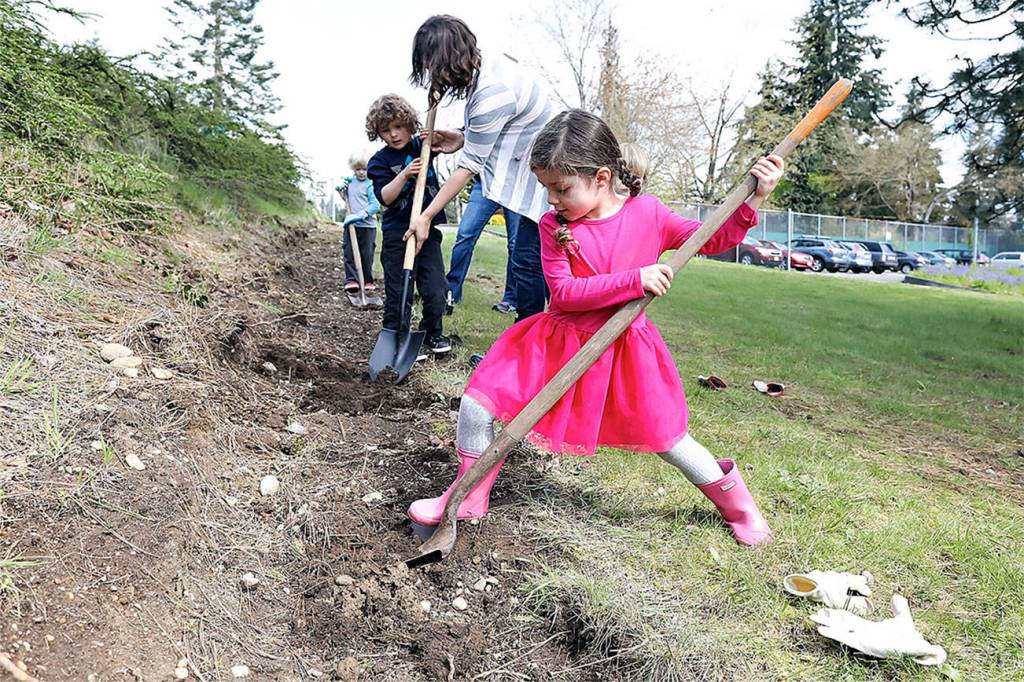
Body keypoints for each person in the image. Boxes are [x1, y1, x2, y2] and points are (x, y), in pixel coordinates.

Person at [407, 110, 785, 546]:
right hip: (556, 343)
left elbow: (711, 239)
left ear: (601, 178)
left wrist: (752, 200)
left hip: (624, 351)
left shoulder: (649, 214)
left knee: (670, 440)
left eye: (561, 189)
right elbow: (564, 293)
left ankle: (740, 508)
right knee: (477, 403)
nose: (551, 200)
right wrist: (635, 279)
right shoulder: (554, 226)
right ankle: (468, 496)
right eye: (546, 188)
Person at [407, 14, 559, 322]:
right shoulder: (490, 69)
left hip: (545, 179)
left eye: (432, 66)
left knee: (528, 264)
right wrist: (462, 137)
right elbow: (500, 131)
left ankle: (531, 347)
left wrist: (425, 216)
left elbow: (469, 167)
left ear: (446, 61)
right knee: (533, 265)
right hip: (536, 171)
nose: (432, 75)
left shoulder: (491, 93)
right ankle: (544, 341)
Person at [365, 94, 451, 355]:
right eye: (386, 130)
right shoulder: (379, 161)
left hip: (427, 233)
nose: (393, 134)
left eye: (398, 126)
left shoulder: (421, 146)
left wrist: (435, 138)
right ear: (378, 133)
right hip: (397, 236)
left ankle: (431, 332)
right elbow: (385, 198)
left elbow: (456, 143)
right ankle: (397, 336)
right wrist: (404, 175)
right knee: (398, 291)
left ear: (409, 123)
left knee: (436, 290)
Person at [444, 176, 520, 315]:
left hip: (516, 186)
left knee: (515, 244)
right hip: (487, 182)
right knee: (465, 235)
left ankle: (510, 300)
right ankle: (451, 293)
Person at [335, 152, 380, 292]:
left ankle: (367, 280)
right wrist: (342, 193)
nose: (361, 172)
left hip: (367, 226)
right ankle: (352, 279)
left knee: (366, 254)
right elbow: (348, 200)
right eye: (358, 169)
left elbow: (375, 205)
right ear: (353, 169)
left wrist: (361, 215)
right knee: (349, 253)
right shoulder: (350, 182)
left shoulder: (371, 184)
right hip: (351, 225)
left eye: (365, 169)